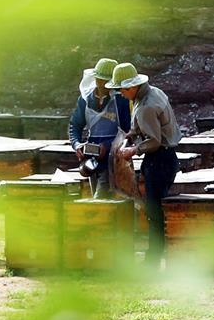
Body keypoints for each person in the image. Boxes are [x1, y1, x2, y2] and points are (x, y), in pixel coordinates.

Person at [109, 62, 182, 267]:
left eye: (121, 90)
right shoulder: (153, 93)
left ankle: (153, 259)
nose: (121, 94)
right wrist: (131, 135)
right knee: (154, 208)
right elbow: (144, 128)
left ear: (131, 87)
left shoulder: (147, 106)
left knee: (154, 210)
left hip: (159, 160)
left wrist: (132, 150)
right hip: (164, 158)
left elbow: (154, 141)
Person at [68, 58, 131, 198]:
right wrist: (77, 144)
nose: (101, 84)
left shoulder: (121, 100)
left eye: (105, 81)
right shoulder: (85, 99)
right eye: (99, 79)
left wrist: (108, 146)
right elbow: (75, 125)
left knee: (102, 198)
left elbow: (128, 131)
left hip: (115, 159)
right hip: (92, 157)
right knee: (97, 201)